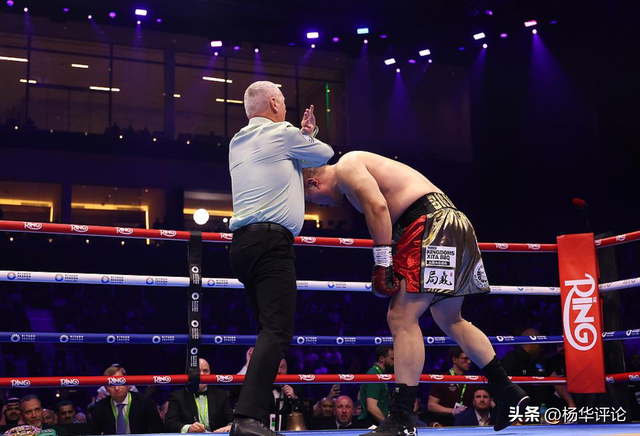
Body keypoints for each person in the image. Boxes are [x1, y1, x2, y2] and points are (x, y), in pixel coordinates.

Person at [303, 151, 529, 434]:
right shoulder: (351, 180)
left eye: (312, 199)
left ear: (313, 183)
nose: (320, 204)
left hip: (429, 226)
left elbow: (378, 208)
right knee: (450, 319)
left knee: (400, 317)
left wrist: (382, 262)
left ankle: (401, 417)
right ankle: (505, 387)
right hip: (450, 223)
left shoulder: (347, 166)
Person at [228, 80, 334, 436]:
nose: (286, 106)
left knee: (268, 333)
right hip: (271, 243)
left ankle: (250, 418)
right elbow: (324, 154)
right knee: (276, 331)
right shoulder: (281, 133)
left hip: (242, 245)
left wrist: (301, 137)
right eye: (284, 101)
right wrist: (307, 135)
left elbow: (290, 159)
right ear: (273, 103)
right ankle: (246, 419)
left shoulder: (237, 140)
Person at [165, 358, 234, 433]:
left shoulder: (221, 395)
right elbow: (170, 423)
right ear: (189, 373)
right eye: (197, 371)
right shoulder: (177, 396)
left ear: (210, 373)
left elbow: (232, 420)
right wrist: (189, 428)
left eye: (205, 371)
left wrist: (230, 427)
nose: (202, 375)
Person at [90, 365, 164, 434]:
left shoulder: (145, 402)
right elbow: (94, 434)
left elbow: (158, 431)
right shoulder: (100, 408)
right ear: (106, 388)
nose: (117, 388)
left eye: (119, 382)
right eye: (111, 385)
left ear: (127, 382)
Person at [427, 346, 476, 426]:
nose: (469, 362)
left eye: (469, 359)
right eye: (465, 359)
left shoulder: (472, 379)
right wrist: (452, 411)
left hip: (466, 424)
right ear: (454, 359)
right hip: (445, 424)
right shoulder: (442, 379)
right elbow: (431, 405)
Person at [357, 346, 394, 426]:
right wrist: (387, 425)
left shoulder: (379, 374)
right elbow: (372, 407)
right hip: (371, 424)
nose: (394, 362)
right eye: (392, 359)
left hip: (375, 423)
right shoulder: (374, 374)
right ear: (382, 359)